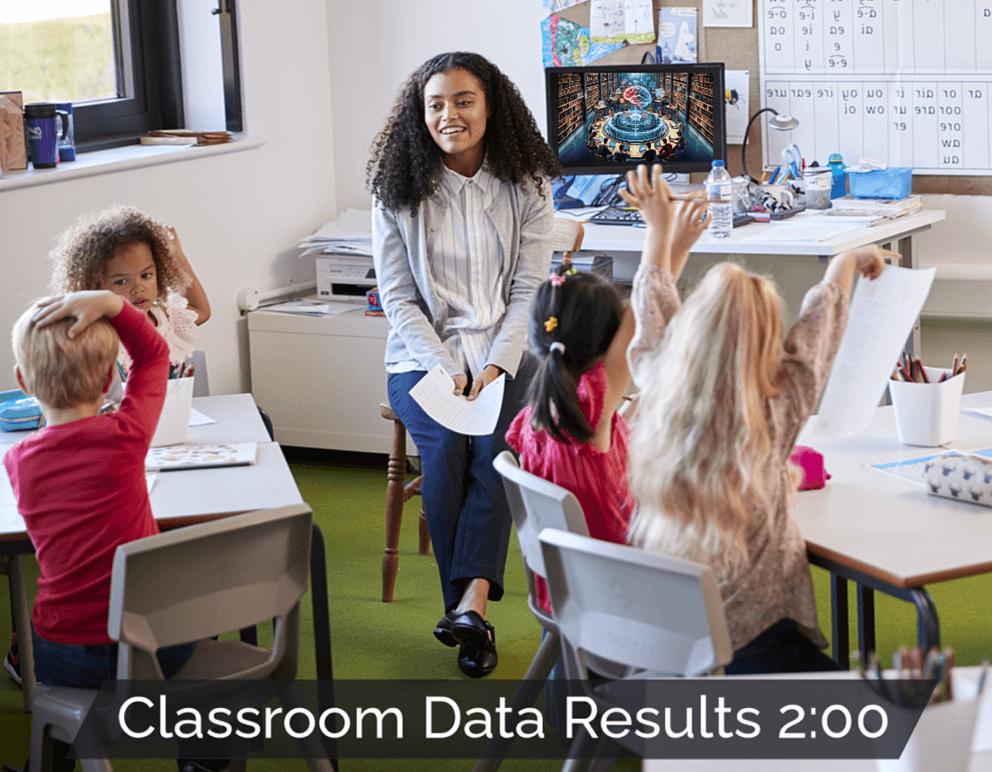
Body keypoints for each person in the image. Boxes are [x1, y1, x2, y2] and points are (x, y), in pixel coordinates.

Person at [621, 163, 896, 674]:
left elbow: (653, 304)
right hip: (755, 651)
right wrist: (848, 261)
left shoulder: (657, 384)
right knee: (890, 714)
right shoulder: (777, 409)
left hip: (674, 649)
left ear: (692, 333)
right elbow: (820, 330)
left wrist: (658, 231)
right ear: (770, 343)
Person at [368, 51, 558, 678]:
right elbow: (396, 297)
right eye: (436, 104)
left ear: (490, 105)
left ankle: (469, 605)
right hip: (422, 359)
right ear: (420, 115)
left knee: (496, 448)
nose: (449, 115)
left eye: (463, 100)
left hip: (509, 352)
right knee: (448, 443)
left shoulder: (526, 183)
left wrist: (497, 366)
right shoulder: (395, 193)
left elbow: (531, 288)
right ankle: (469, 610)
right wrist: (445, 367)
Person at [6, 291, 196, 685]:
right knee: (195, 620)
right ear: (112, 379)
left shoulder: (16, 461)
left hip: (68, 655)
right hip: (150, 641)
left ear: (23, 382)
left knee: (28, 640)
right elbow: (153, 355)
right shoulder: (126, 436)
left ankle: (59, 744)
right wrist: (111, 303)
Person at [505, 261, 637, 613]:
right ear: (608, 346)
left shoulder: (538, 412)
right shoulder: (593, 410)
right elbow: (643, 309)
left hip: (564, 589)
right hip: (618, 594)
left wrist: (626, 416)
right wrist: (663, 232)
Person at [48, 205, 211, 384]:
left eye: (146, 275)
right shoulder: (100, 333)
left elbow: (201, 310)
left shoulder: (162, 316)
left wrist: (177, 255)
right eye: (121, 281)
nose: (138, 288)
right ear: (94, 285)